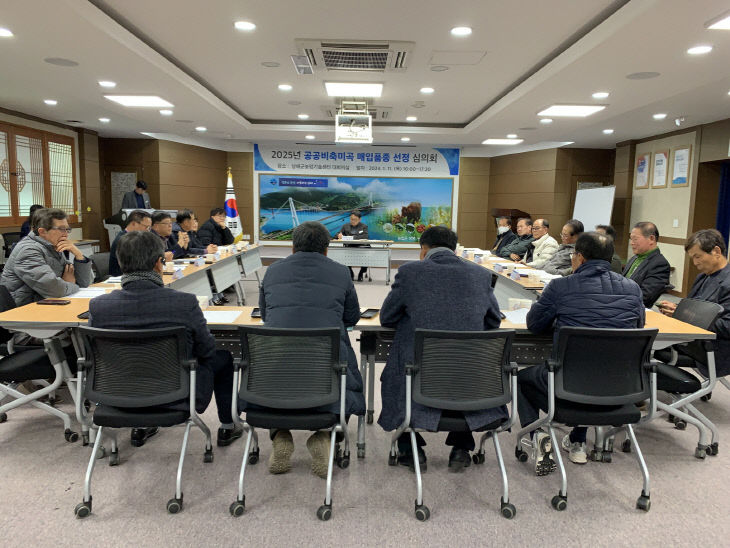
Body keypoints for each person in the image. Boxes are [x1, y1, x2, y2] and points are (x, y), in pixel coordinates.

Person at [89, 230, 242, 448]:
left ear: (121, 264)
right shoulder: (184, 303)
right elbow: (206, 350)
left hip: (118, 392)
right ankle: (228, 425)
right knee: (224, 357)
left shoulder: (99, 307)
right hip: (176, 393)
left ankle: (140, 425)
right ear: (159, 264)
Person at [378, 226, 505, 472]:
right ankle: (461, 446)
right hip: (469, 376)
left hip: (418, 372)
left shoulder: (410, 272)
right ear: (455, 248)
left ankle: (409, 445)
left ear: (423, 250)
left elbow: (387, 318)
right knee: (465, 366)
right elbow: (493, 321)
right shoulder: (480, 274)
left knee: (398, 366)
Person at [517, 232, 644, 472]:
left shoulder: (561, 286)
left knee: (522, 378)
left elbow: (534, 325)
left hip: (569, 385)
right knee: (593, 364)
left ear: (579, 258)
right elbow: (637, 328)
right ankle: (577, 439)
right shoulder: (633, 288)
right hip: (620, 386)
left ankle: (536, 435)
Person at [252, 221, 365, 478]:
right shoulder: (340, 272)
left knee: (280, 376)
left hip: (276, 361)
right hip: (325, 362)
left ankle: (280, 434)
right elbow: (352, 318)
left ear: (292, 247)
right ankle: (325, 435)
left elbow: (266, 314)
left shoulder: (273, 271)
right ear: (327, 249)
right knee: (345, 370)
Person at [658, 229, 730, 378]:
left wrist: (683, 314)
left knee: (647, 345)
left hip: (713, 349)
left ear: (716, 251)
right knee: (646, 341)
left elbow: (727, 326)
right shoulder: (702, 277)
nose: (695, 263)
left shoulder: (727, 283)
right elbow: (695, 308)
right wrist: (678, 309)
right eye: (692, 258)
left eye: (698, 256)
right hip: (691, 339)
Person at [1, 208, 93, 306]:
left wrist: (78, 255)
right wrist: (71, 284)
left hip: (47, 303)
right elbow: (55, 290)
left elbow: (84, 283)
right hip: (22, 311)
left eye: (67, 229)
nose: (66, 234)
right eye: (61, 229)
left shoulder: (53, 245)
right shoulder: (28, 250)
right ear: (42, 232)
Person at [623, 221, 670, 308]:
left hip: (634, 309)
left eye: (635, 239)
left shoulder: (660, 264)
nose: (631, 243)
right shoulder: (634, 258)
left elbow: (645, 297)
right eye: (631, 239)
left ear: (651, 239)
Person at [108, 210, 152, 277]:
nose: (148, 230)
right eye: (146, 227)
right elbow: (134, 265)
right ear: (134, 224)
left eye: (149, 228)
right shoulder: (123, 240)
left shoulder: (136, 238)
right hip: (122, 278)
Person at [336, 210, 369, 281]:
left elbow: (365, 236)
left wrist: (351, 238)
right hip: (349, 247)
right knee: (345, 253)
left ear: (359, 219)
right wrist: (338, 235)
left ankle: (361, 272)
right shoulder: (345, 226)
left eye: (355, 219)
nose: (352, 221)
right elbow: (337, 234)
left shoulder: (364, 226)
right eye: (351, 219)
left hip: (360, 247)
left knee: (367, 252)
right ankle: (350, 272)